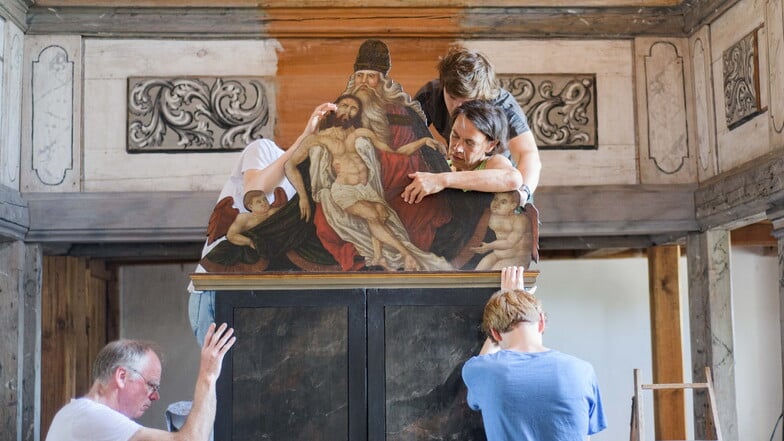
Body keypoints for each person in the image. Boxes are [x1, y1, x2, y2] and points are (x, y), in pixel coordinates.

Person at [189, 103, 339, 345]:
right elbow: (254, 191)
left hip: (259, 296)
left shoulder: (317, 185)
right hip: (218, 289)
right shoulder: (266, 150)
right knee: (223, 375)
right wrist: (304, 138)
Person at [285, 94, 452, 271]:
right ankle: (405, 254)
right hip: (344, 190)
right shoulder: (319, 139)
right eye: (344, 106)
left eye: (353, 108)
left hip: (366, 189)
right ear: (334, 109)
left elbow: (397, 151)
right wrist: (303, 196)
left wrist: (423, 141)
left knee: (380, 214)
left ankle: (378, 256)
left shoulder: (362, 133)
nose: (348, 111)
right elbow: (290, 165)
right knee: (372, 216)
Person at [462, 266, 607, 440]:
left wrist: (507, 297)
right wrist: (515, 299)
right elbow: (585, 435)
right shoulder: (582, 371)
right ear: (542, 323)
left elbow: (485, 359)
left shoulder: (481, 370)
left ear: (494, 333)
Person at [45, 323, 236, 441]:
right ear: (122, 377)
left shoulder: (79, 415)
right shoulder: (88, 415)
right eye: (151, 385)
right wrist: (208, 376)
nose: (155, 396)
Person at [415, 46, 542, 207]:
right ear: (443, 85)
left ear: (482, 94)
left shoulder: (504, 107)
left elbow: (528, 154)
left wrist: (522, 194)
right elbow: (404, 139)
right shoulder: (430, 95)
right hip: (459, 178)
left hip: (502, 184)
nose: (457, 107)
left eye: (466, 100)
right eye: (452, 97)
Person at [401, 100, 523, 203]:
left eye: (469, 142)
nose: (457, 148)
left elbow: (513, 179)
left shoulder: (492, 164)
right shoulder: (441, 167)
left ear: (491, 145)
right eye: (455, 136)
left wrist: (442, 180)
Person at [472, 191, 533, 270]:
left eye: (503, 202)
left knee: (496, 271)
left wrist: (489, 246)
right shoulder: (491, 216)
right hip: (497, 254)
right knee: (479, 270)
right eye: (495, 199)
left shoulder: (519, 220)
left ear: (513, 206)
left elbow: (510, 243)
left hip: (517, 258)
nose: (496, 204)